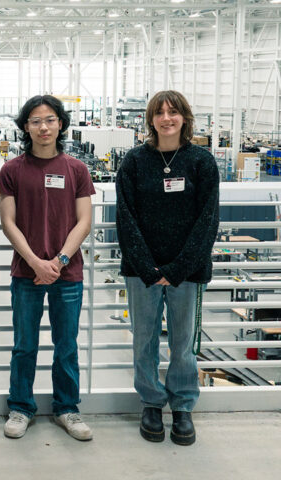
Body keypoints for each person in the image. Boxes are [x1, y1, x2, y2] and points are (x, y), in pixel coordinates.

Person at [116, 90, 219, 446]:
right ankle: (150, 403)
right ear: (151, 120)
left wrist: (175, 270)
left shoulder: (201, 162)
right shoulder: (133, 162)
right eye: (159, 112)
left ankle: (183, 406)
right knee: (143, 340)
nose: (166, 118)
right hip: (141, 271)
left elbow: (207, 221)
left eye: (173, 112)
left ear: (185, 118)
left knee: (183, 342)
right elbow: (125, 219)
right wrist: (148, 268)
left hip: (186, 273)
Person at [0, 95, 94, 442]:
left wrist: (59, 261)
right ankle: (21, 407)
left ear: (61, 125)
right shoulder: (12, 170)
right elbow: (8, 223)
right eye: (36, 120)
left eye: (50, 120)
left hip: (67, 275)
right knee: (25, 345)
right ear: (26, 126)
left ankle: (67, 407)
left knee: (66, 344)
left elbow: (84, 222)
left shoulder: (77, 170)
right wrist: (36, 262)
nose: (43, 127)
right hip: (26, 274)